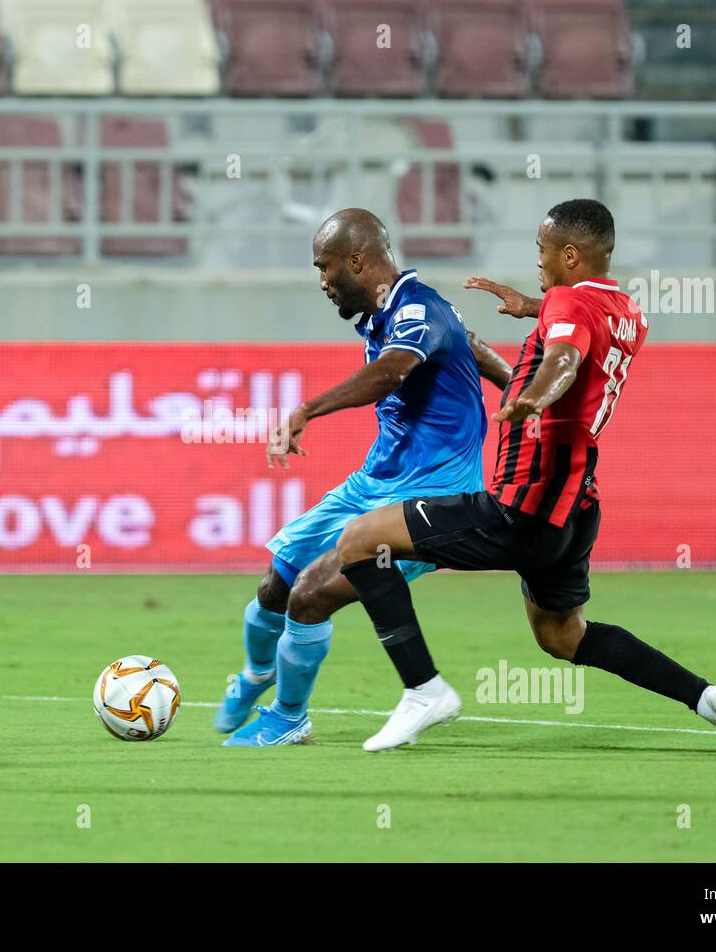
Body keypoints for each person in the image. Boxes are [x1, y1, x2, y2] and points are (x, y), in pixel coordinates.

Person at [334, 199, 716, 755]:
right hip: (576, 509)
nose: (537, 260)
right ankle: (708, 698)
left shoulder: (566, 303)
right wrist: (532, 307)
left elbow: (564, 358)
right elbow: (579, 328)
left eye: (542, 251)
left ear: (570, 253)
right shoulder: (626, 312)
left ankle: (424, 691)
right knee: (563, 636)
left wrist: (534, 397)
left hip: (525, 503)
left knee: (359, 541)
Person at [218, 208, 512, 747]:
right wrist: (517, 387)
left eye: (324, 267)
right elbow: (469, 345)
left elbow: (392, 370)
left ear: (357, 259)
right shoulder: (390, 311)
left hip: (432, 498)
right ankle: (258, 674)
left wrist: (308, 409)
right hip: (373, 482)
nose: (322, 282)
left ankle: (288, 718)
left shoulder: (418, 308)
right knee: (274, 587)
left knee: (310, 595)